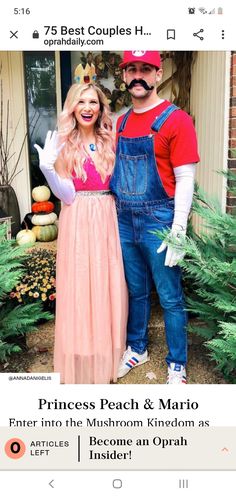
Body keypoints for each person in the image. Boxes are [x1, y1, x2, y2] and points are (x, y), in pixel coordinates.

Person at [110, 51, 200, 384]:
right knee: (135, 291)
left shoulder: (176, 120)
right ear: (124, 76)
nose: (137, 75)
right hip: (123, 219)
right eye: (131, 69)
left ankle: (177, 363)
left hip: (160, 220)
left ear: (158, 74)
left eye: (144, 69)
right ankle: (137, 348)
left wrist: (178, 229)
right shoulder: (119, 122)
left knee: (170, 296)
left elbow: (186, 178)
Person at [34, 79, 128, 384]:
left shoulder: (109, 139)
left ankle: (105, 355)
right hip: (78, 217)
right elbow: (68, 195)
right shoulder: (62, 142)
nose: (88, 108)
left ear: (101, 108)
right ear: (72, 107)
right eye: (81, 101)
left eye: (93, 102)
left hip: (106, 218)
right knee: (81, 285)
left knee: (106, 282)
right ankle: (81, 356)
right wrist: (48, 169)